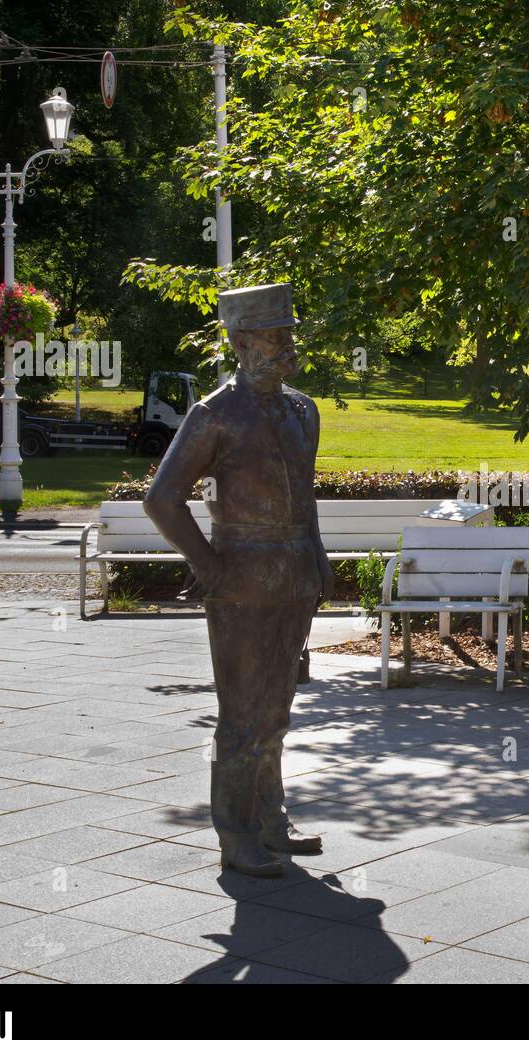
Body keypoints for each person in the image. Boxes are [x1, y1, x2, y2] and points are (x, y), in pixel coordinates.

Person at [145, 283, 335, 878]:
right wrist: (209, 566)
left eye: (288, 336)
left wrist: (318, 557)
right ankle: (235, 834)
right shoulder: (214, 415)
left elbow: (305, 499)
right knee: (241, 716)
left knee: (278, 707)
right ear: (241, 341)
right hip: (242, 581)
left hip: (294, 576)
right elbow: (162, 499)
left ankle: (271, 817)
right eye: (275, 337)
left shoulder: (304, 410)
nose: (287, 347)